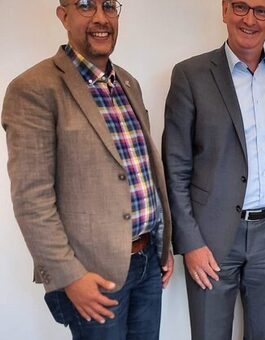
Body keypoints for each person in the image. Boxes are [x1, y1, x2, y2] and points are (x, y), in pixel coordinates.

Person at [2, 0, 174, 339]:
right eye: (85, 5)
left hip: (147, 263)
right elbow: (31, 199)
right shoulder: (34, 89)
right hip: (92, 277)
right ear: (63, 15)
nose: (100, 17)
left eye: (109, 6)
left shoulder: (127, 83)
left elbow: (141, 170)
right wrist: (68, 276)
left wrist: (161, 243)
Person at [162, 0, 265, 338]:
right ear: (225, 10)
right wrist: (190, 242)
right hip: (209, 238)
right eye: (241, 7)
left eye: (261, 11)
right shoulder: (190, 75)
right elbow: (176, 165)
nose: (250, 19)